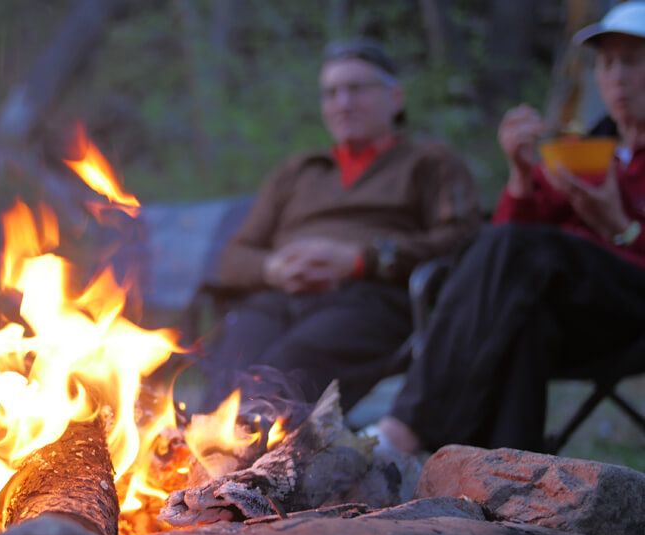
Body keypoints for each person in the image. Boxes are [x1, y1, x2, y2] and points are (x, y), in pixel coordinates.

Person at [377, 2, 645, 454]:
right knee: (524, 317)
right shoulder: (584, 150)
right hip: (574, 317)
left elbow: (517, 247)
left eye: (633, 62)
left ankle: (403, 432)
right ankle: (498, 480)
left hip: (633, 310)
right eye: (608, 62)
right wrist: (521, 176)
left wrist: (619, 226)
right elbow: (501, 258)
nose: (617, 76)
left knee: (519, 253)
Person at [201, 39, 480, 412]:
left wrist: (361, 260)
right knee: (232, 367)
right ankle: (193, 463)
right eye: (331, 93)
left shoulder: (429, 162)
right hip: (279, 297)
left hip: (368, 299)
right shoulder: (299, 171)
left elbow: (461, 240)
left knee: (284, 373)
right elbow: (232, 257)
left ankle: (258, 464)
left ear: (395, 98)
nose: (343, 104)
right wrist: (274, 268)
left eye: (357, 89)